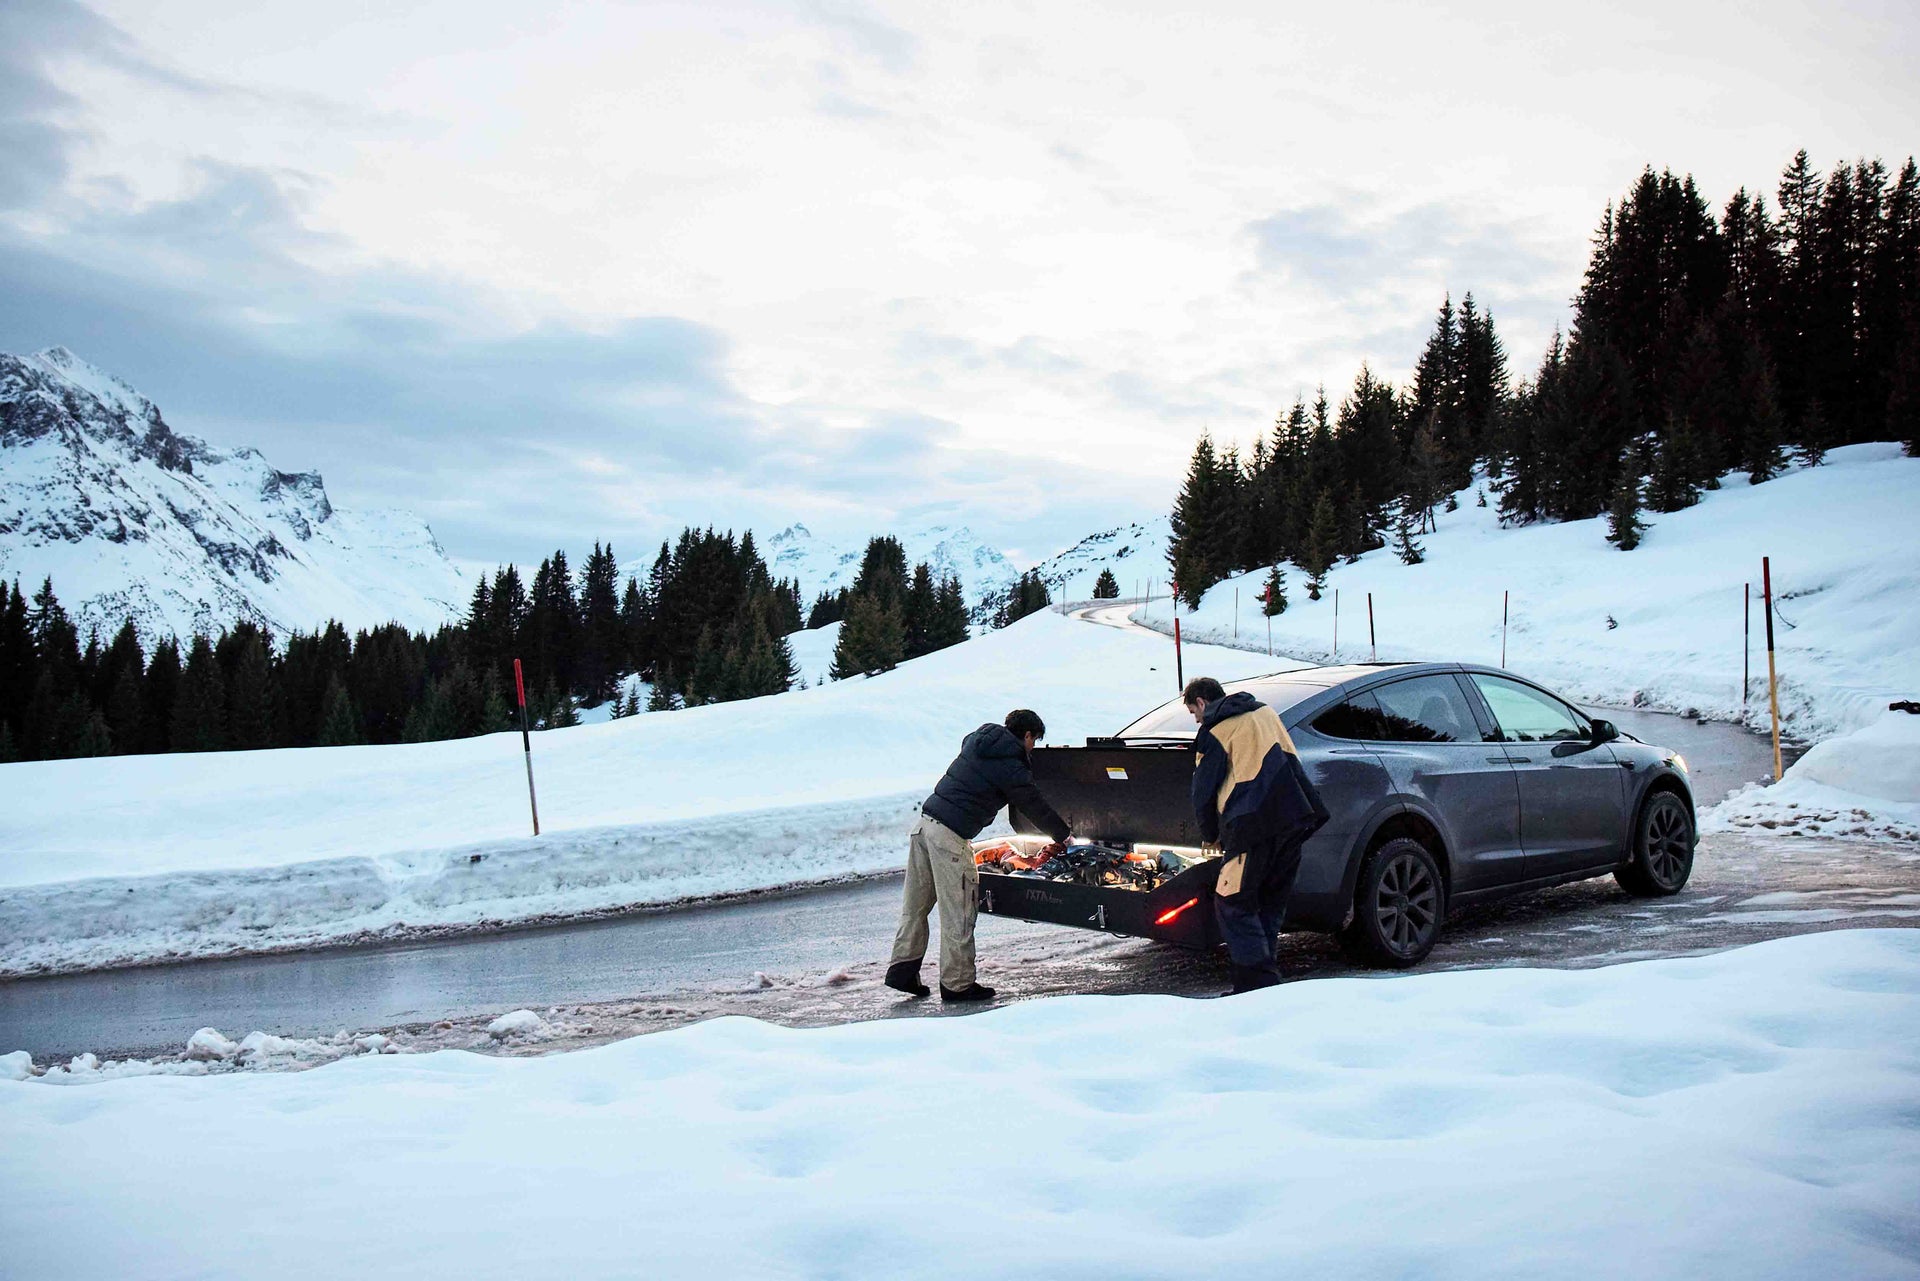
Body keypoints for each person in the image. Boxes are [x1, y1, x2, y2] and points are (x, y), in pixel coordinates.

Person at [886, 709, 1072, 1003]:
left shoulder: (979, 741)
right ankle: (958, 985)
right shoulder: (1010, 762)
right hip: (950, 837)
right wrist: (1063, 835)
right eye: (1034, 741)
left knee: (916, 906)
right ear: (1026, 735)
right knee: (959, 911)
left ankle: (902, 970)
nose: (1033, 748)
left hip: (923, 827)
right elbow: (1032, 804)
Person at [1185, 676, 1329, 994]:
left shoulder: (1214, 731)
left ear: (1201, 703)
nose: (1196, 720)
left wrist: (1210, 835)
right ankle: (1266, 986)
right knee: (1269, 902)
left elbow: (1203, 792)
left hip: (1251, 826)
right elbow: (1291, 760)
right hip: (1294, 819)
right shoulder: (1265, 712)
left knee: (1232, 902)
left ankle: (1255, 987)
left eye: (1194, 713)